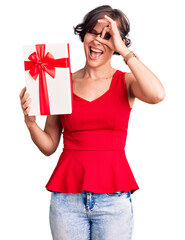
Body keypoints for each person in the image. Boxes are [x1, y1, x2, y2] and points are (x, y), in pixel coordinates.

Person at [19, 5, 165, 240]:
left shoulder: (126, 82)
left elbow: (157, 94)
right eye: (93, 32)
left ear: (118, 43)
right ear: (84, 35)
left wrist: (125, 51)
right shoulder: (60, 81)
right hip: (67, 200)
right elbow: (49, 146)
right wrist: (30, 122)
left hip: (114, 201)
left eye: (108, 36)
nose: (98, 40)